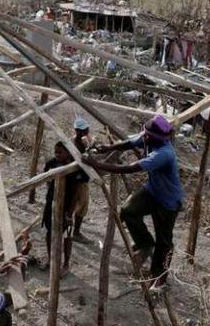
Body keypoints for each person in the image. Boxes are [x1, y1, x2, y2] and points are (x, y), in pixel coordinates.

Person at [84, 115, 182, 291]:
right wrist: (106, 148)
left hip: (167, 201)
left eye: (146, 134)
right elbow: (128, 143)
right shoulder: (148, 137)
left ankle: (159, 278)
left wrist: (96, 164)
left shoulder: (164, 154)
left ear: (154, 137)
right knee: (128, 210)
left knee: (164, 242)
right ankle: (145, 244)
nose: (143, 135)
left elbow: (130, 168)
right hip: (153, 191)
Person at [41, 141, 88, 274]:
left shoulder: (74, 167)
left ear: (67, 153)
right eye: (55, 152)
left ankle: (66, 264)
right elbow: (46, 179)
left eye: (60, 152)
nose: (57, 155)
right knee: (50, 231)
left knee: (67, 235)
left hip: (67, 206)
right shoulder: (51, 163)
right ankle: (51, 259)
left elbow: (75, 194)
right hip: (52, 202)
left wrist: (69, 213)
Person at [69, 117, 92, 242]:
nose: (87, 131)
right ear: (80, 131)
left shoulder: (73, 140)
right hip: (79, 179)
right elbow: (87, 159)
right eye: (85, 130)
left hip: (77, 178)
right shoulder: (78, 144)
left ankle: (72, 230)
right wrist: (88, 147)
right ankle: (76, 233)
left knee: (73, 204)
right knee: (81, 205)